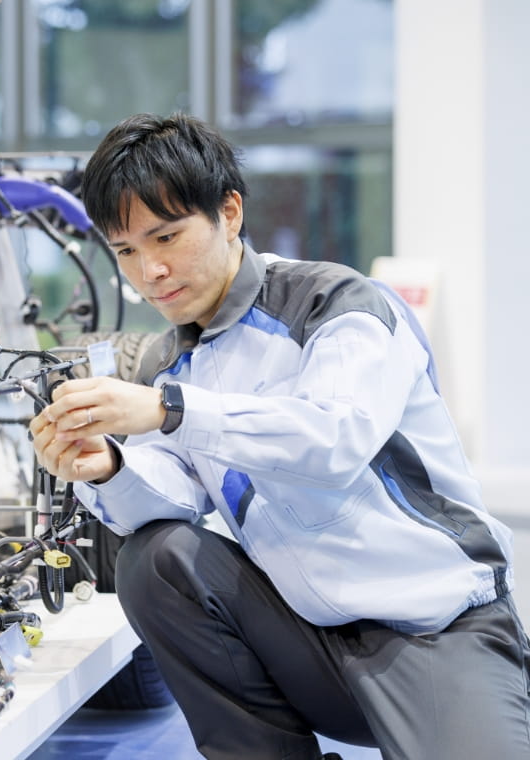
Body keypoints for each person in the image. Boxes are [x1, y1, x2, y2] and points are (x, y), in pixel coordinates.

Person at [29, 112, 530, 760]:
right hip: (311, 642)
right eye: (125, 251)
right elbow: (169, 500)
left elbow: (335, 440)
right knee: (156, 561)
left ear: (229, 212)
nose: (150, 270)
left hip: (438, 628)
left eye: (167, 236)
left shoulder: (335, 305)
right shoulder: (168, 363)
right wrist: (106, 466)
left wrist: (169, 409)